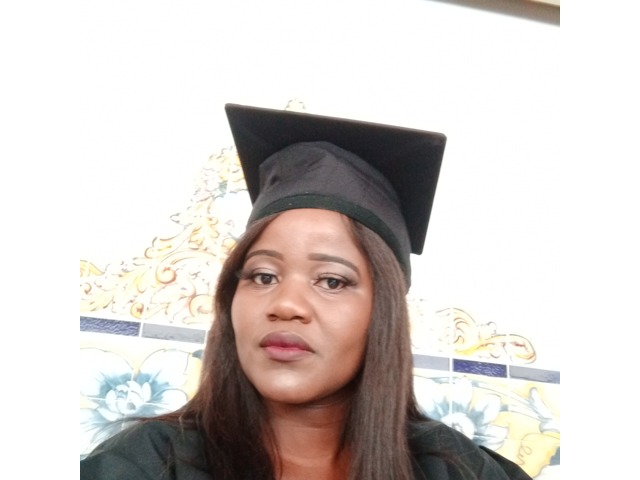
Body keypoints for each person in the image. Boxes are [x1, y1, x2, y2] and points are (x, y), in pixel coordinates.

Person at [80, 104, 532, 480]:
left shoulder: (457, 470)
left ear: (383, 311)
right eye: (262, 276)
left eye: (332, 281)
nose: (286, 305)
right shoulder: (144, 465)